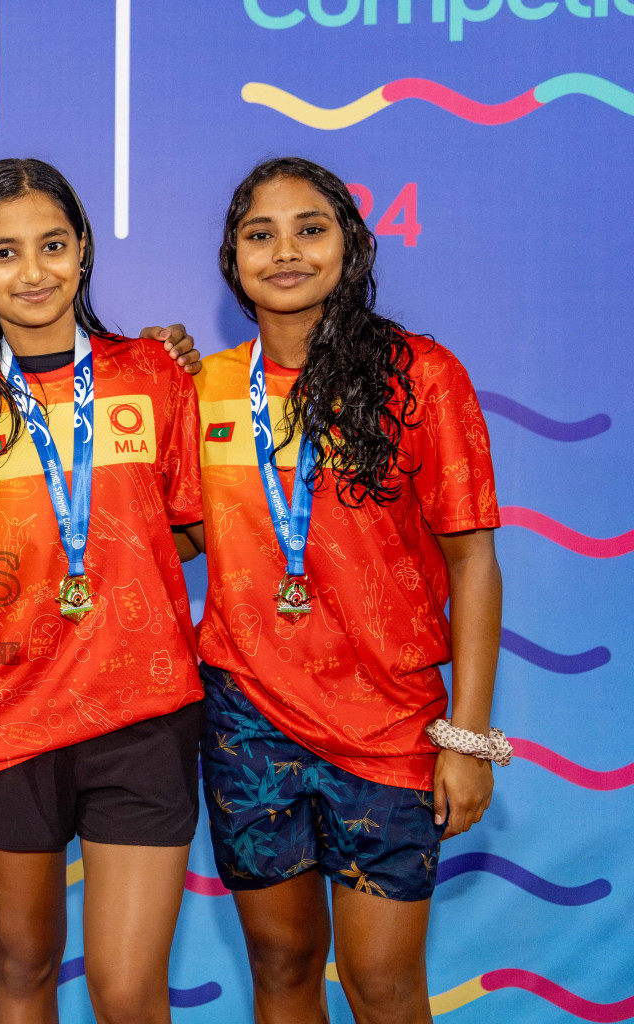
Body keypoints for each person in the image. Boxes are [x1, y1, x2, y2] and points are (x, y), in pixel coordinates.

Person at [183, 156, 505, 1024]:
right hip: (248, 722)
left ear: (351, 247)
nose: (284, 251)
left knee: (383, 985)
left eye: (309, 228)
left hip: (390, 727)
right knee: (283, 970)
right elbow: (178, 532)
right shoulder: (207, 389)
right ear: (232, 257)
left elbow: (473, 563)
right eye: (260, 233)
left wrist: (469, 740)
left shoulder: (422, 376)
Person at [0, 159, 204, 1024]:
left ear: (82, 251)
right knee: (22, 965)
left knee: (125, 990)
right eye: (4, 252)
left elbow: (192, 525)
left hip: (143, 708)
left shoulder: (153, 372)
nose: (33, 270)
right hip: (11, 709)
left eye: (52, 245)